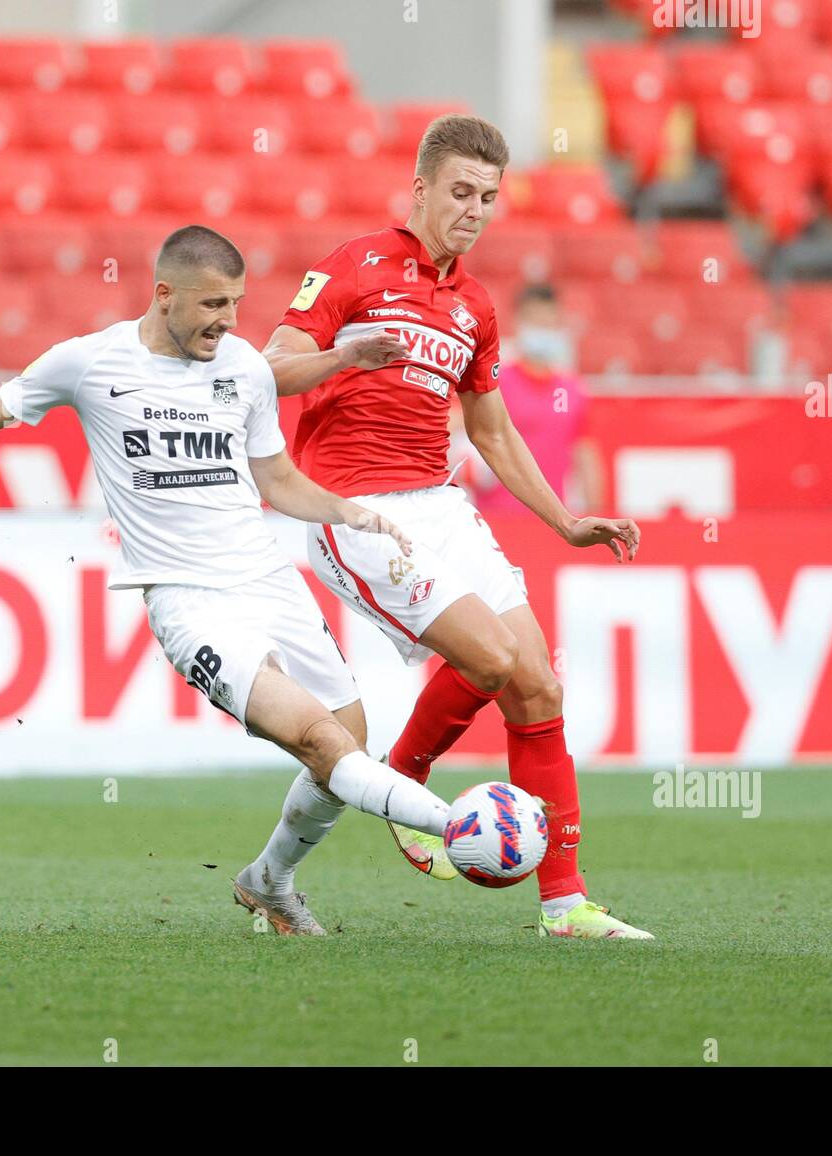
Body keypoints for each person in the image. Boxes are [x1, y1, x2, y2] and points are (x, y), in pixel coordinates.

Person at [0, 225, 454, 937]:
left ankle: (268, 881)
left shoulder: (241, 365)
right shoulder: (89, 362)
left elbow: (275, 478)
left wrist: (350, 512)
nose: (227, 321)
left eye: (236, 303)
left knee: (349, 747)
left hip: (269, 580)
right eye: (212, 304)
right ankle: (456, 824)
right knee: (322, 745)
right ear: (164, 294)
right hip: (189, 600)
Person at [263, 115, 653, 940]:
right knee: (493, 656)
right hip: (356, 511)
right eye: (460, 192)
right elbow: (270, 365)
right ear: (420, 190)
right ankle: (405, 779)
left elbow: (494, 431)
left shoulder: (474, 305)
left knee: (538, 685)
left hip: (441, 505)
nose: (474, 210)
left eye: (488, 197)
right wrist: (342, 357)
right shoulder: (354, 265)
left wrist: (566, 520)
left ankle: (564, 904)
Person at [472, 282, 605, 517]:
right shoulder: (495, 381)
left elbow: (584, 455)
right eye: (534, 320)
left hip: (553, 518)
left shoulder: (570, 389)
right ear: (519, 322)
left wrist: (597, 516)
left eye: (547, 320)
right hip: (498, 516)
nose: (541, 328)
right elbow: (454, 426)